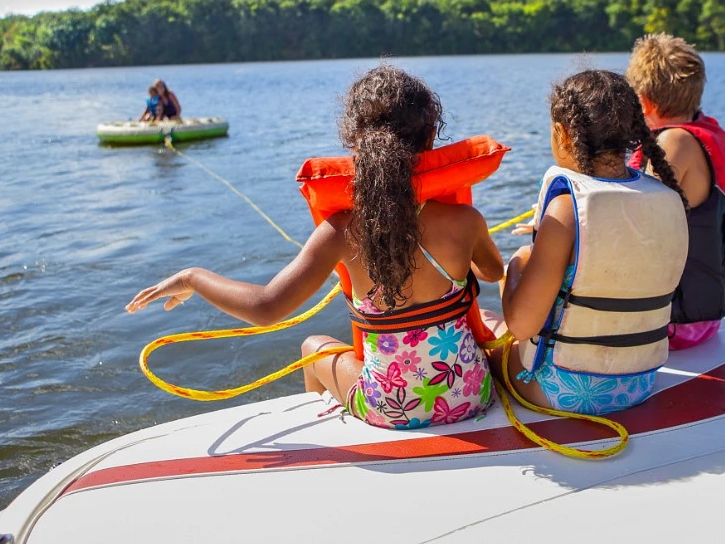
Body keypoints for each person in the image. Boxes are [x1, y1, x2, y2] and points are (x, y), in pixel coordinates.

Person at [126, 66, 505, 430]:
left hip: (390, 408)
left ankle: (332, 442)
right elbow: (492, 273)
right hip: (469, 395)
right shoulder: (464, 221)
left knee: (313, 346)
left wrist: (193, 277)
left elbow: (266, 307)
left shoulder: (340, 232)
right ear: (428, 142)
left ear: (355, 145)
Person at [485, 70, 688, 416]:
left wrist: (517, 262)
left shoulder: (567, 209)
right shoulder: (666, 197)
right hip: (639, 383)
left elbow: (522, 326)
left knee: (486, 324)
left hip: (560, 391)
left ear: (562, 134)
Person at [625, 33, 725, 350]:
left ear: (644, 102)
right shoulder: (712, 135)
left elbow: (634, 223)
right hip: (703, 319)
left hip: (673, 323)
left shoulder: (673, 143)